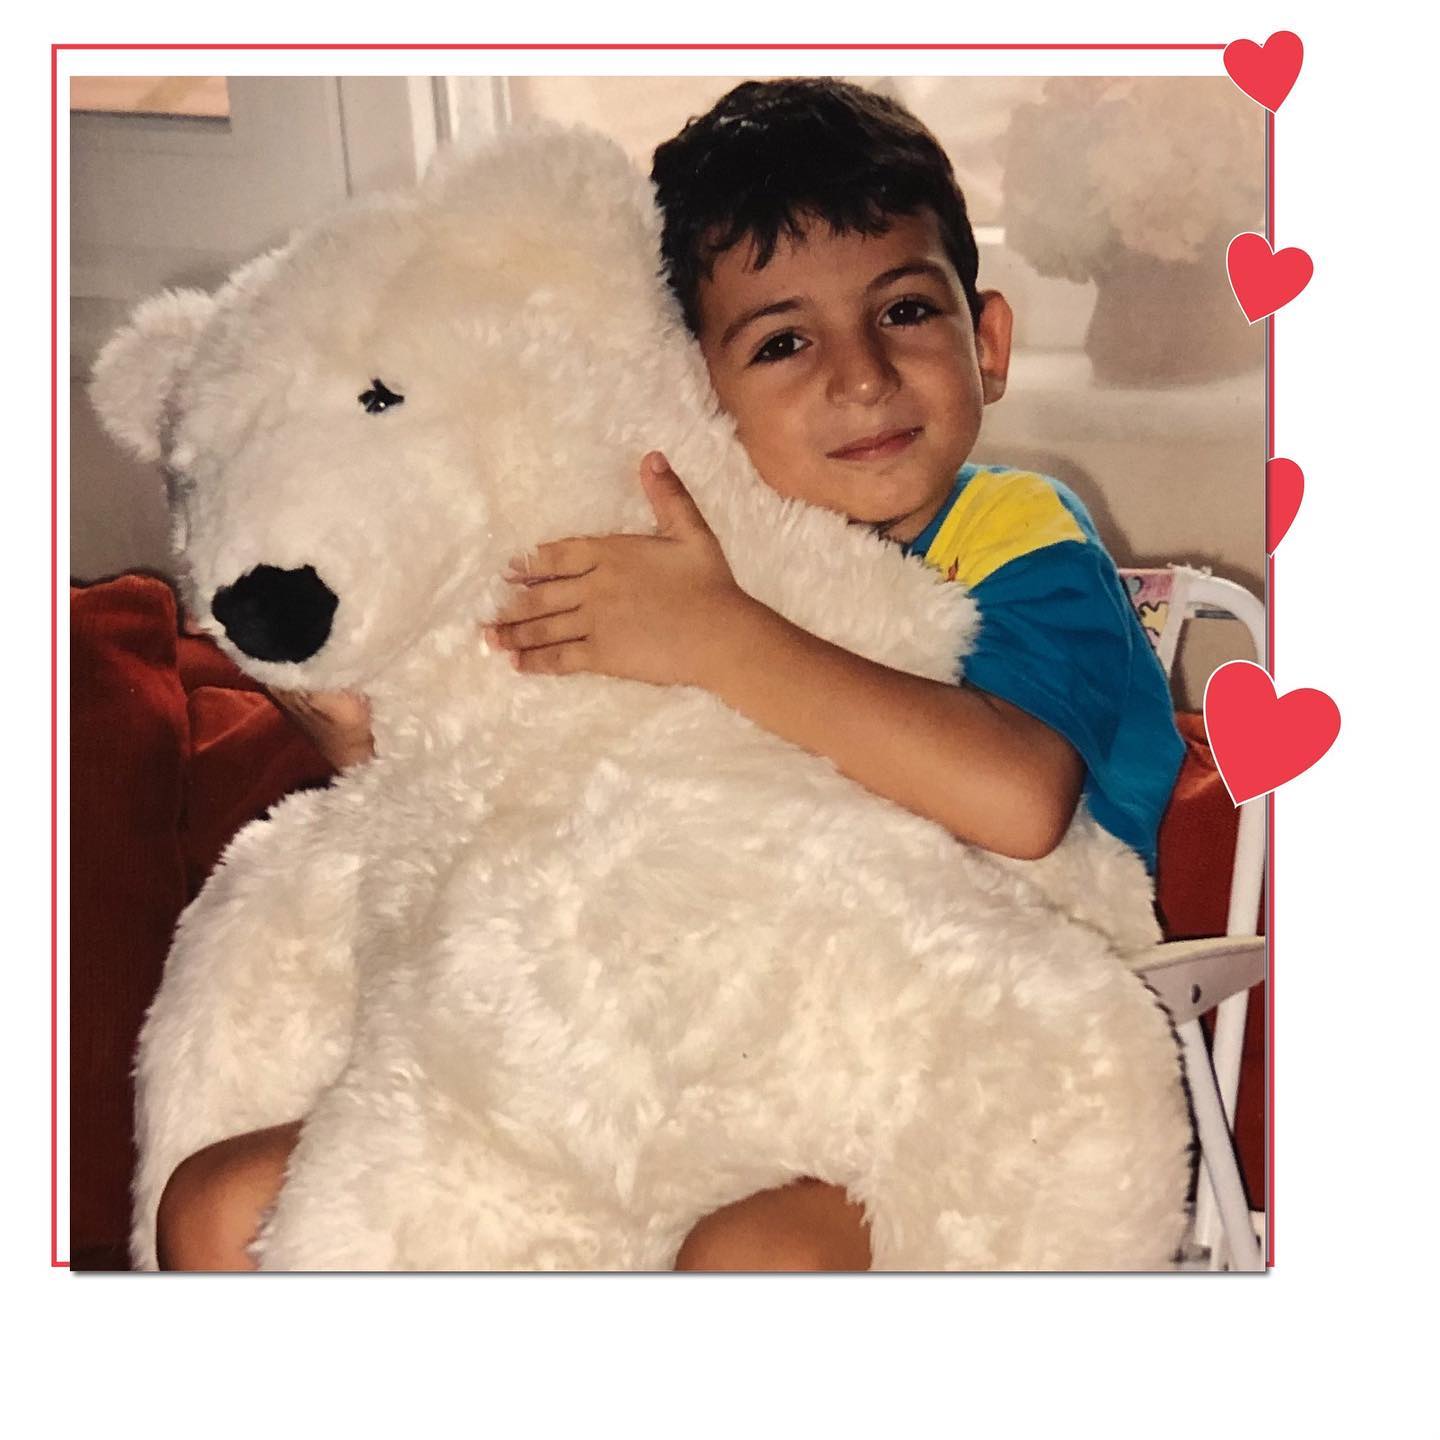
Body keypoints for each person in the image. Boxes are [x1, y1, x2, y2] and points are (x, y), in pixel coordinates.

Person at [155, 77, 1184, 1273]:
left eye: (905, 310)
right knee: (217, 1206)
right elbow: (527, 800)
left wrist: (719, 636)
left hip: (948, 1079)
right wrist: (362, 751)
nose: (860, 375)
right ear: (693, 387)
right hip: (671, 1062)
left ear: (987, 341)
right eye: (783, 341)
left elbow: (1019, 800)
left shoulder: (1018, 539)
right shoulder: (665, 546)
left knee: (753, 1262)